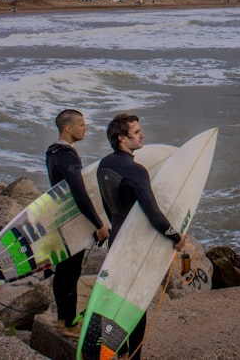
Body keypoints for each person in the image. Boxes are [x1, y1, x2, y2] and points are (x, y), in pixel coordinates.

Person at [97, 113, 186, 360]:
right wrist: (175, 237)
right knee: (136, 303)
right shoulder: (136, 171)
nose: (142, 135)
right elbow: (153, 214)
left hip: (116, 240)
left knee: (116, 299)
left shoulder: (104, 164)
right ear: (122, 139)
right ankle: (132, 356)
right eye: (136, 132)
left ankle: (120, 351)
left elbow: (109, 206)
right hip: (134, 245)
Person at [45, 109, 110, 339]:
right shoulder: (67, 155)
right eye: (81, 124)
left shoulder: (52, 153)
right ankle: (69, 324)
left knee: (63, 271)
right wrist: (98, 223)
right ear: (68, 128)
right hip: (73, 223)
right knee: (70, 273)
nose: (86, 128)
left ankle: (62, 320)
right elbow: (78, 193)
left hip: (60, 221)